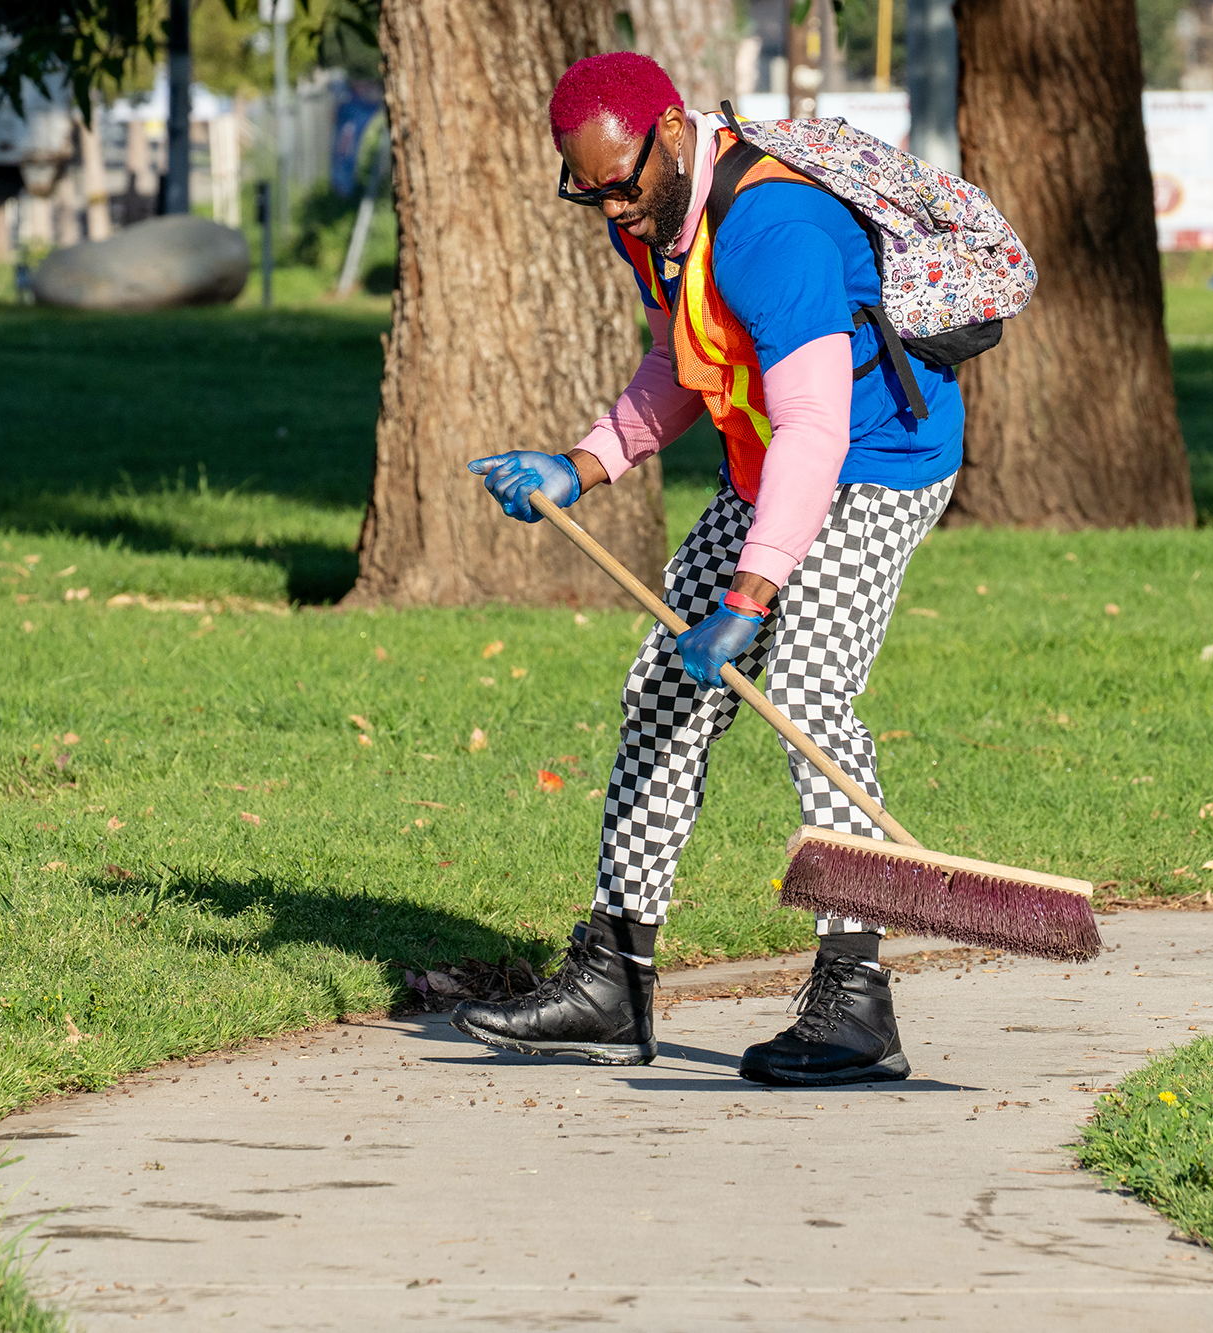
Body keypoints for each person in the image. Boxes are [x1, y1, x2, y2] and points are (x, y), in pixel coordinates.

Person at [452, 52, 963, 1088]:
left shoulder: (775, 232)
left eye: (619, 183)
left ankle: (856, 998)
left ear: (672, 133)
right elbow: (679, 364)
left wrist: (750, 595)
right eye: (586, 189)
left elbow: (817, 427)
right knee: (661, 690)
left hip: (871, 464)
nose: (609, 207)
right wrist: (585, 461)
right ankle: (615, 978)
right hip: (765, 460)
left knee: (811, 692)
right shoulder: (649, 217)